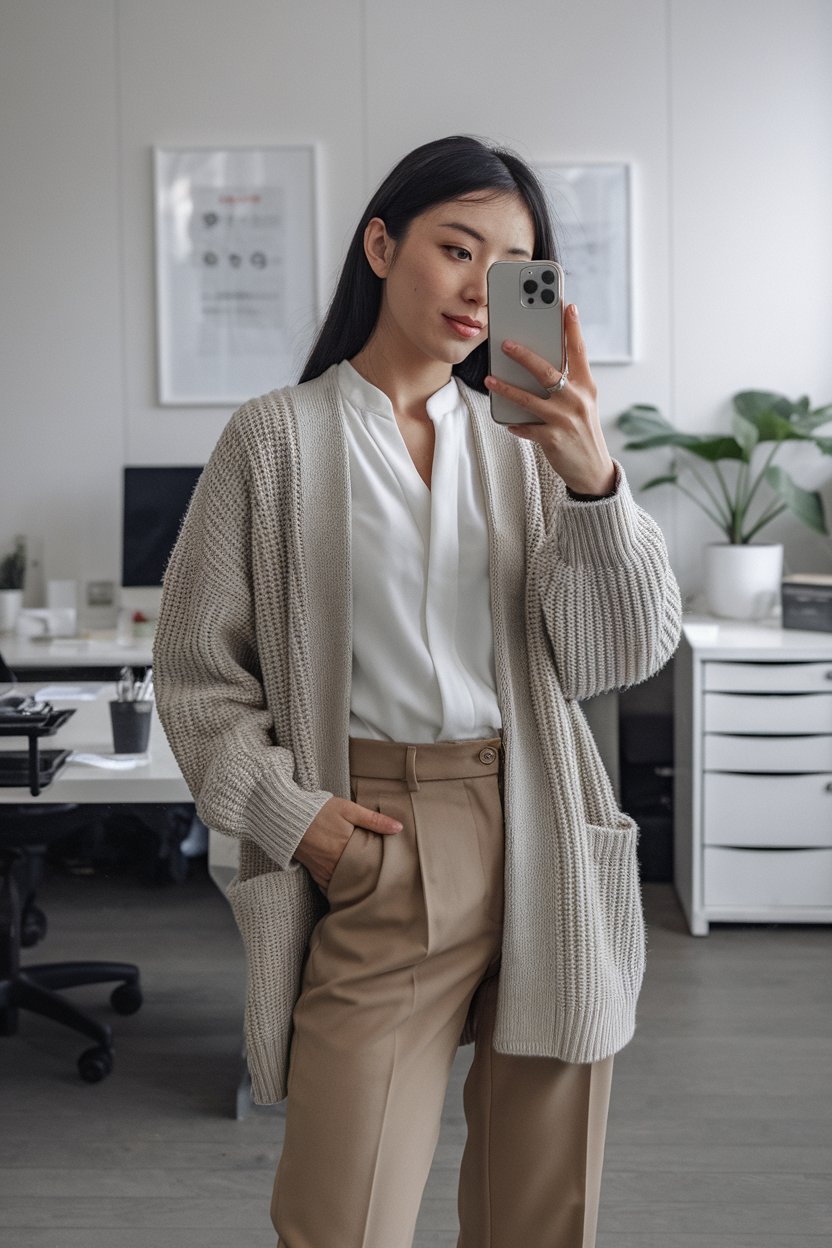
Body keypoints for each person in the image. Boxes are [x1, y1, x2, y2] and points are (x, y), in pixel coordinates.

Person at [153, 134, 681, 1248]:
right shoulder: (274, 440)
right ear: (382, 245)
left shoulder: (534, 446)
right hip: (379, 840)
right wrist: (299, 824)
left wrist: (593, 486)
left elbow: (621, 655)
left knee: (539, 1221)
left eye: (511, 267)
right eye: (455, 248)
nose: (478, 288)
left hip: (542, 827)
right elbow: (199, 681)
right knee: (338, 1219)